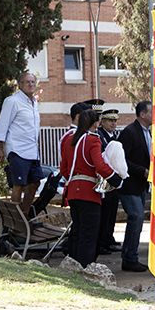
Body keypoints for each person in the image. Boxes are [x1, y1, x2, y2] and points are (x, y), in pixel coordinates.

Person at [60, 109, 121, 267]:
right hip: (88, 192)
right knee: (89, 233)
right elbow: (99, 165)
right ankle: (85, 267)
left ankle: (72, 264)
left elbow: (64, 168)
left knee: (78, 231)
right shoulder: (93, 139)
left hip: (73, 190)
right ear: (95, 123)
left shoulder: (69, 139)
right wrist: (116, 179)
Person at [0, 71, 48, 215]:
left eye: (32, 82)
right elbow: (2, 124)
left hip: (32, 151)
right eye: (27, 82)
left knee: (35, 182)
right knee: (18, 185)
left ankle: (23, 215)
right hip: (17, 150)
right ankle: (14, 221)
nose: (30, 84)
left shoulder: (34, 102)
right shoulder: (12, 101)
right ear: (20, 85)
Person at [116, 100, 151, 272]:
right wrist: (142, 171)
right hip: (129, 184)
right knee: (136, 217)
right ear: (143, 114)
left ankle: (130, 256)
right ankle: (130, 258)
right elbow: (122, 159)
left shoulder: (148, 132)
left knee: (138, 219)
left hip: (141, 185)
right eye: (151, 112)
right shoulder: (130, 132)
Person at [96, 108, 121, 254]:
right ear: (103, 121)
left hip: (114, 179)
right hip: (105, 179)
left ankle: (108, 238)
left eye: (115, 121)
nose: (113, 123)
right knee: (105, 212)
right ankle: (102, 241)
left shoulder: (113, 135)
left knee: (112, 211)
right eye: (110, 120)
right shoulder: (100, 135)